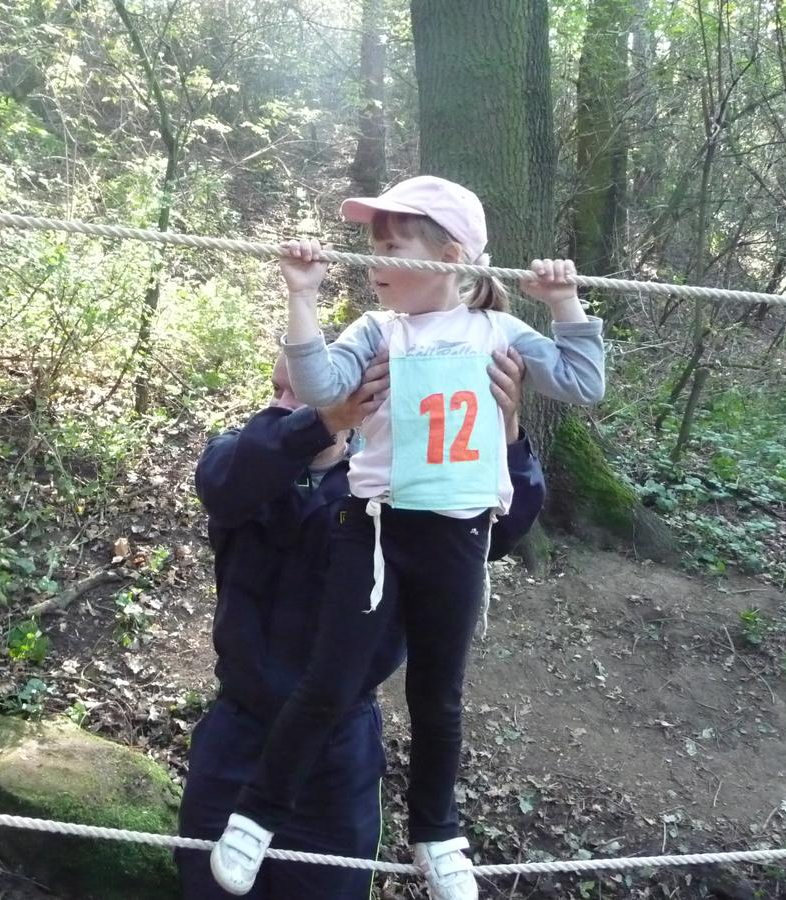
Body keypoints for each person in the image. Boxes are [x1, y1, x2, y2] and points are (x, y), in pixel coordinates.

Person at [210, 176, 605, 899]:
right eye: (372, 246)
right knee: (329, 682)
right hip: (374, 531)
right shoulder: (377, 329)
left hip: (458, 536)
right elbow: (321, 386)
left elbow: (583, 383)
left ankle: (438, 836)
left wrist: (563, 302)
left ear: (449, 256)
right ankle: (256, 816)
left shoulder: (498, 333)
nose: (374, 262)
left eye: (391, 247)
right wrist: (302, 297)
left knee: (438, 695)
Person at [178, 343, 545, 900]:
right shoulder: (240, 459)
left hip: (336, 754)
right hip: (237, 735)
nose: (281, 406)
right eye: (277, 391)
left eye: (300, 393)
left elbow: (497, 528)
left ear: (356, 399)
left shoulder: (393, 494)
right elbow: (226, 485)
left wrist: (508, 428)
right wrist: (316, 424)